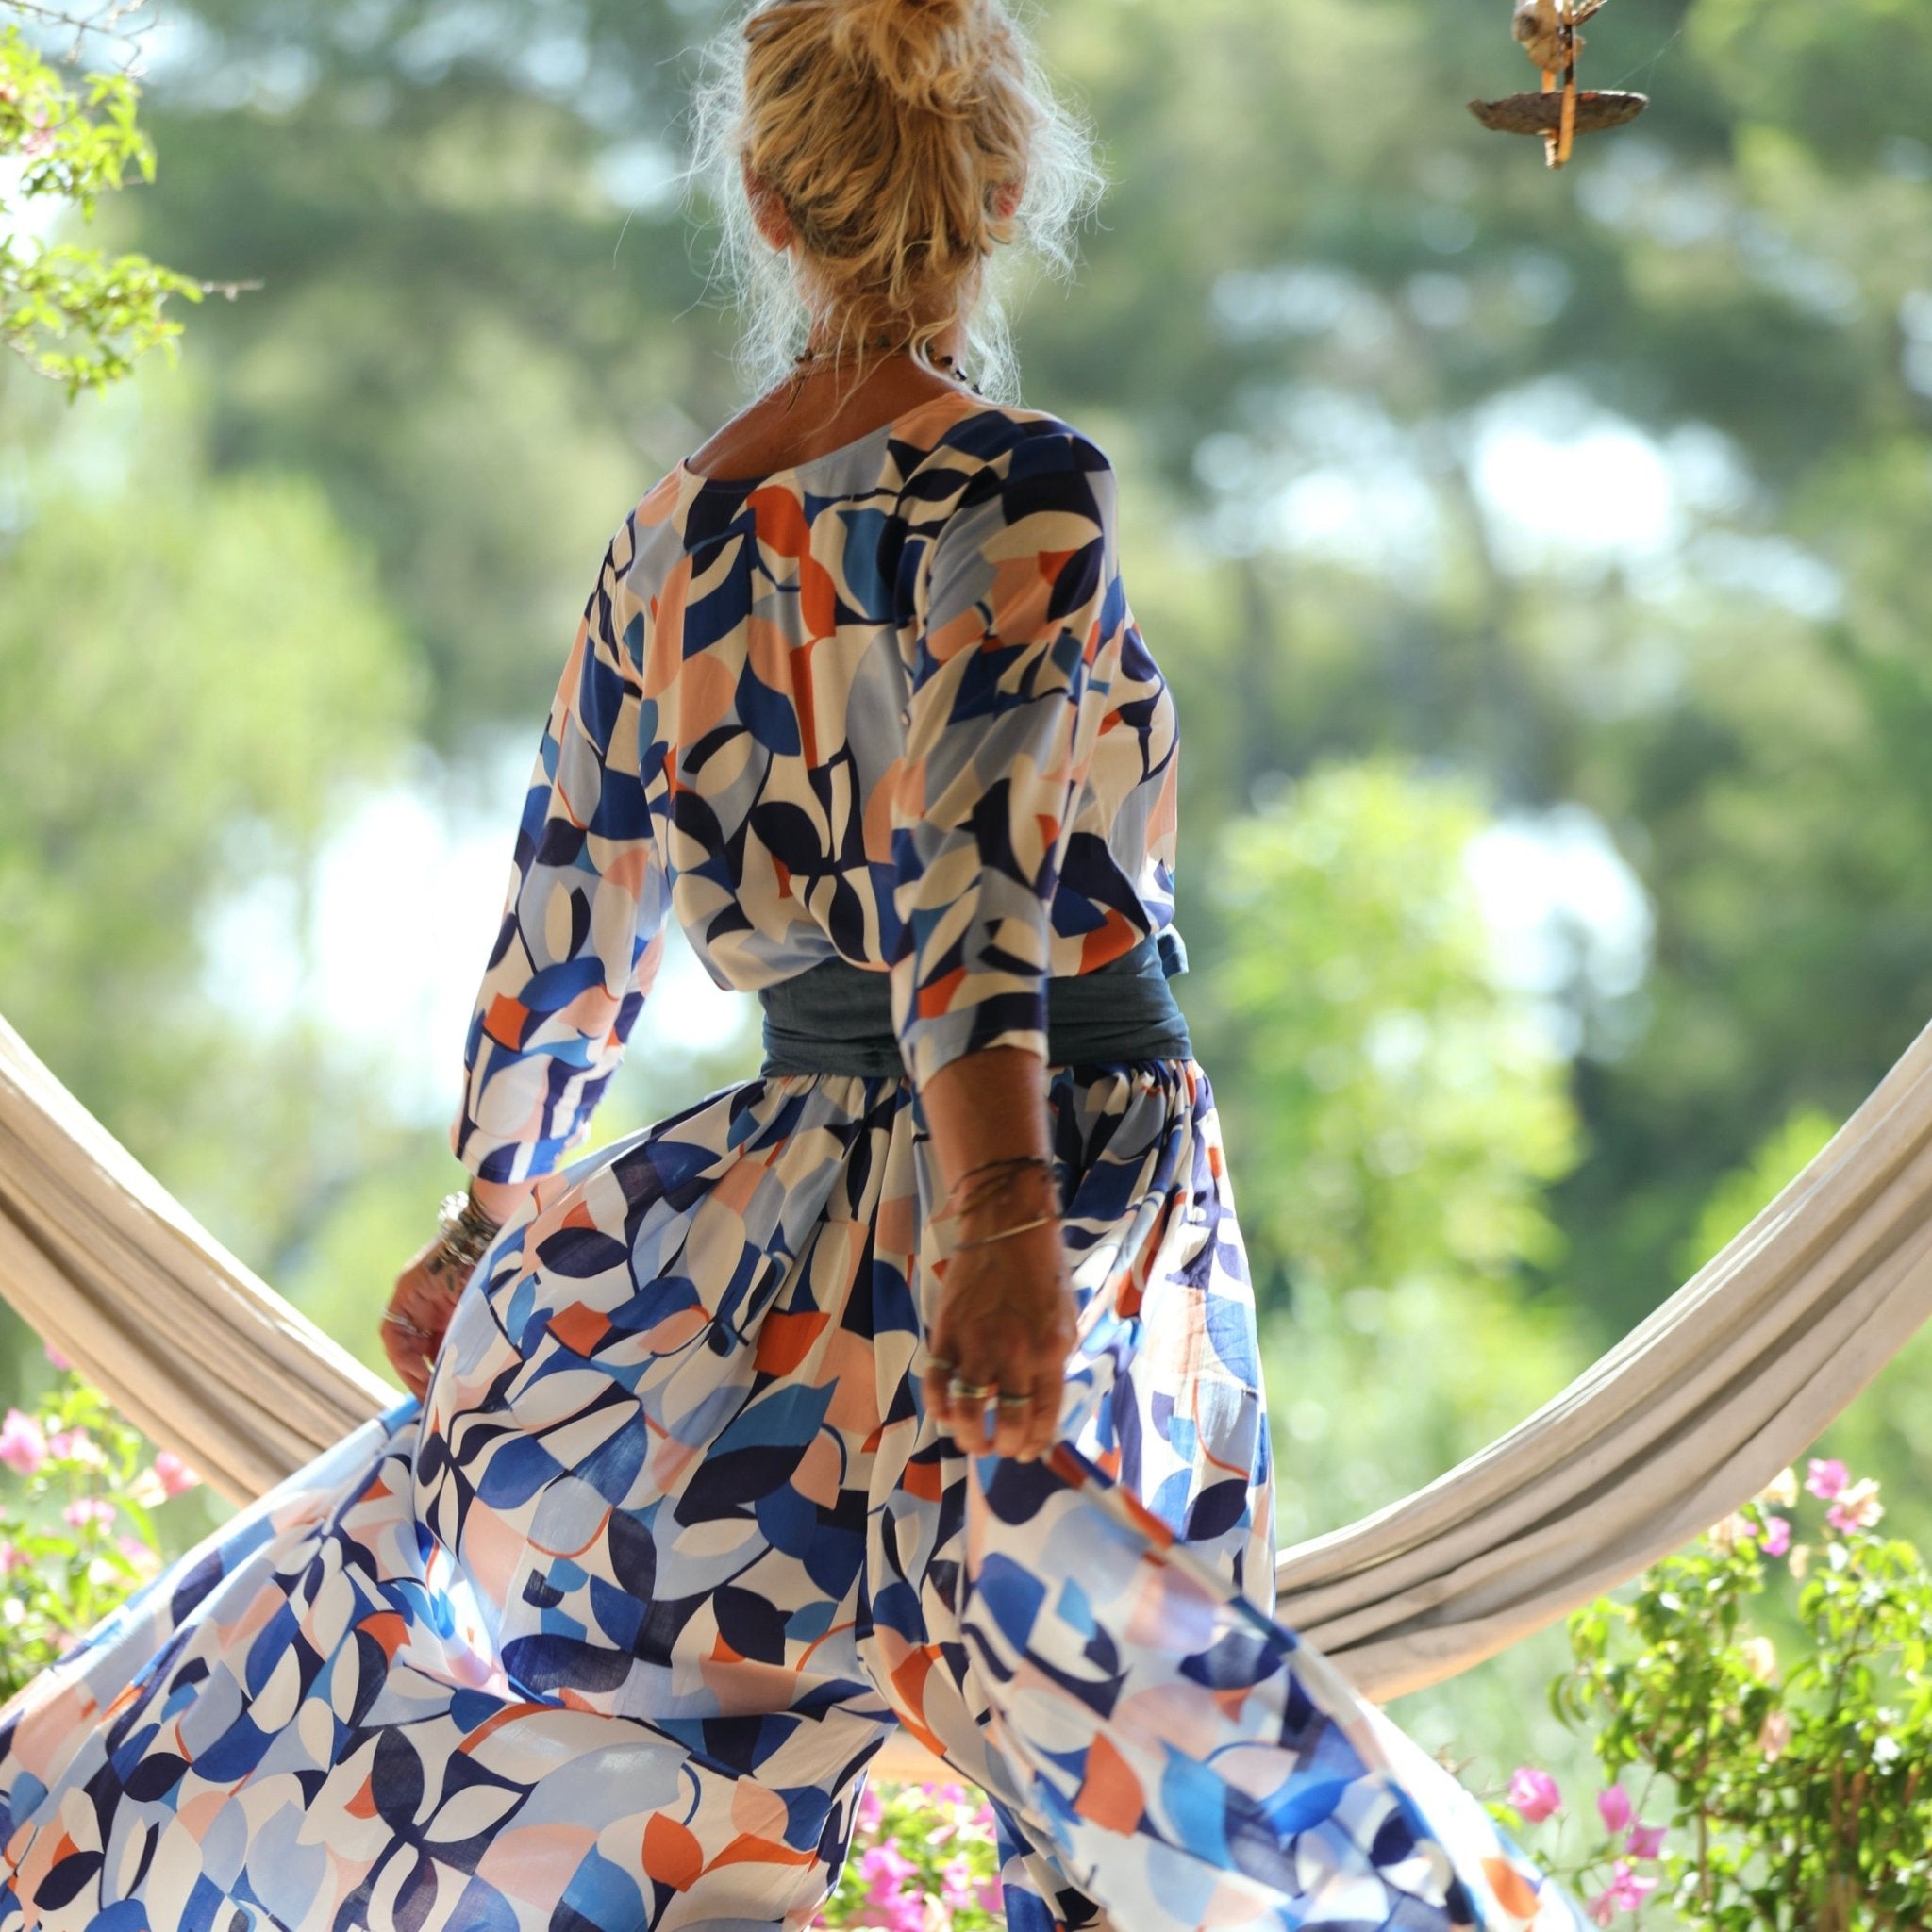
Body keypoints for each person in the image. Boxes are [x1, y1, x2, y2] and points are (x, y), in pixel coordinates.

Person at [0, 1, 1591, 1925]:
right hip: (1059, 1170)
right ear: (1006, 193)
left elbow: (569, 917)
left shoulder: (665, 542)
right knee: (1133, 1770)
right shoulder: (1022, 486)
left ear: (762, 201)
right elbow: (974, 872)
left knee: (699, 1773)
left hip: (775, 1233)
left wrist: (487, 1205)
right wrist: (1003, 1218)